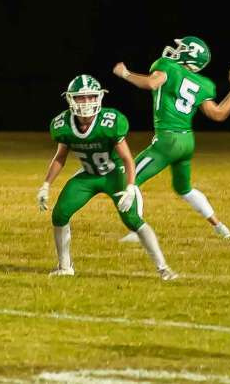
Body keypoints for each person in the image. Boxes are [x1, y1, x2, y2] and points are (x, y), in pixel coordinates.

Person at [37, 75, 178, 280]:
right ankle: (65, 266)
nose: (86, 103)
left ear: (99, 97)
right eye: (81, 98)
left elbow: (127, 159)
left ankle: (163, 268)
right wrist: (46, 185)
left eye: (91, 97)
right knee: (60, 214)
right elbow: (60, 157)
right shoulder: (62, 124)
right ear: (70, 99)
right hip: (88, 175)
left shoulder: (110, 121)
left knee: (132, 219)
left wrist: (130, 186)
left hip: (114, 174)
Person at [112, 36, 230, 241]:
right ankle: (220, 227)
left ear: (190, 54)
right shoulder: (204, 84)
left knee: (129, 177)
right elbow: (218, 114)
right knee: (184, 188)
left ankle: (138, 230)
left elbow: (152, 83)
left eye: (182, 48)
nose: (176, 50)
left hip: (167, 141)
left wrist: (125, 73)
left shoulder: (166, 65)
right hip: (187, 142)